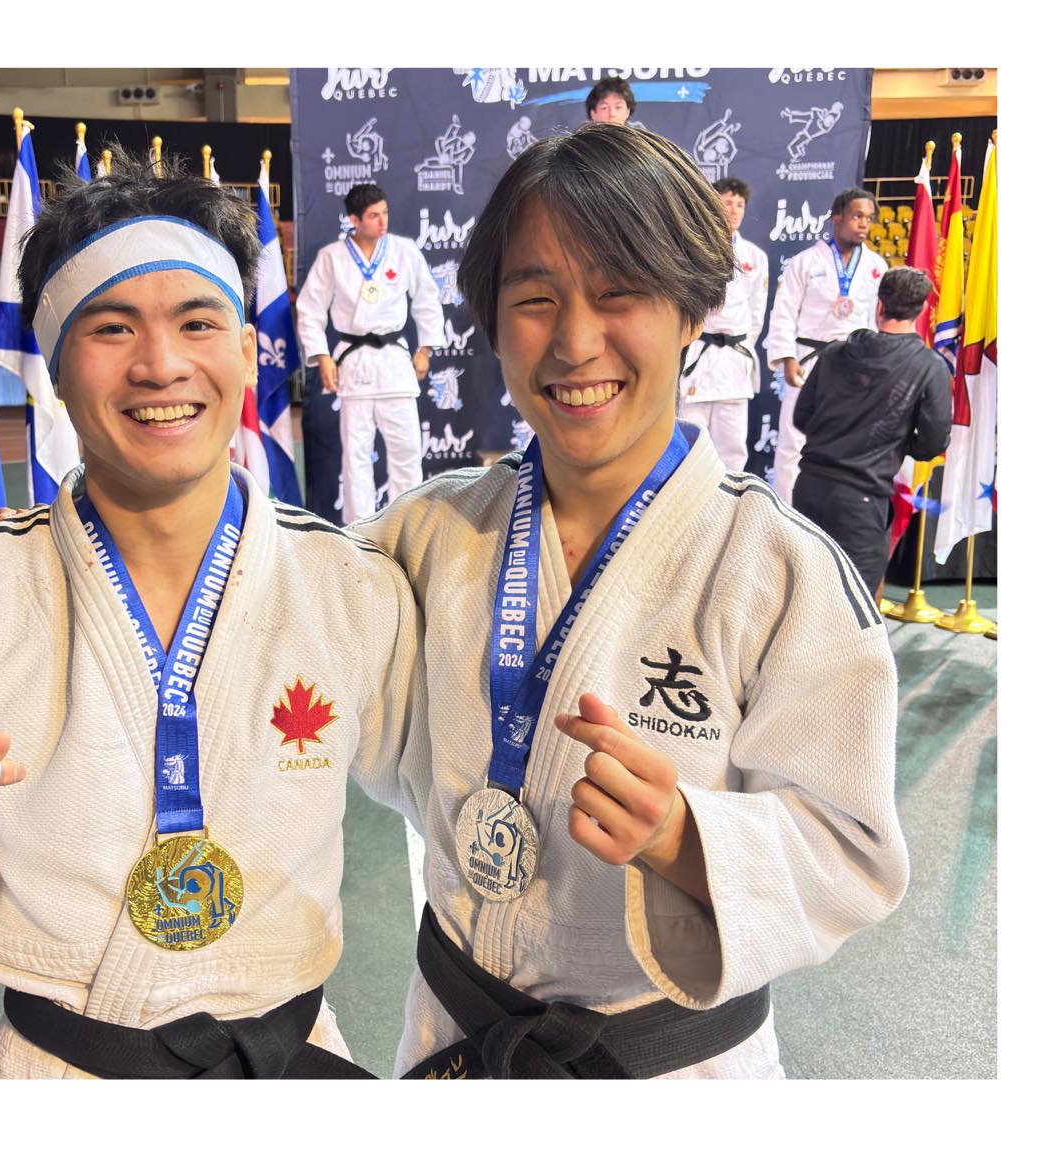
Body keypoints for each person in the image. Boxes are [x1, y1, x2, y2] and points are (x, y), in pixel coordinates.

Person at [0, 149, 428, 1079]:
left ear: (246, 351)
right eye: (112, 327)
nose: (161, 364)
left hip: (288, 1062)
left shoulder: (348, 586)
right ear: (54, 369)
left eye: (199, 322)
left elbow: (467, 787)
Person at [354, 124, 909, 1079]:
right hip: (458, 1038)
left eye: (620, 293)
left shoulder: (779, 571)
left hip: (672, 1071)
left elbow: (853, 851)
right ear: (492, 322)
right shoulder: (426, 534)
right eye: (535, 300)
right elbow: (271, 621)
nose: (575, 342)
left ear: (693, 310)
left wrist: (684, 838)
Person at [792, 266, 952, 598]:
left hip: (808, 487)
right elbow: (932, 443)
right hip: (861, 501)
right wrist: (896, 441)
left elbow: (802, 417)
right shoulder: (929, 366)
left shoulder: (834, 352)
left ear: (879, 305)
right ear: (923, 310)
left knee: (800, 595)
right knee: (853, 607)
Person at [296, 182, 446, 523]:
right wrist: (322, 355)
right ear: (354, 220)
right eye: (373, 216)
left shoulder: (404, 251)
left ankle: (407, 523)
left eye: (385, 213)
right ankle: (359, 530)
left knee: (407, 451)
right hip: (355, 362)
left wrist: (425, 349)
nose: (383, 222)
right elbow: (310, 309)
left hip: (394, 361)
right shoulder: (332, 257)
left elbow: (427, 298)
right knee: (356, 456)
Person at [765, 187, 887, 506]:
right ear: (837, 219)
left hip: (855, 362)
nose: (864, 224)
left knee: (849, 439)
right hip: (810, 360)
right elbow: (784, 312)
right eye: (857, 216)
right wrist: (787, 358)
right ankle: (785, 515)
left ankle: (836, 513)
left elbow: (876, 321)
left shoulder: (876, 266)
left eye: (869, 218)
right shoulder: (804, 262)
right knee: (793, 441)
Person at [677, 176, 769, 472]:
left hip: (734, 363)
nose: (734, 210)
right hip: (698, 358)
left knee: (733, 448)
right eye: (728, 203)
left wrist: (737, 345)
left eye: (740, 204)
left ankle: (730, 498)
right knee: (689, 444)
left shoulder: (755, 256)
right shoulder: (692, 249)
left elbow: (756, 314)